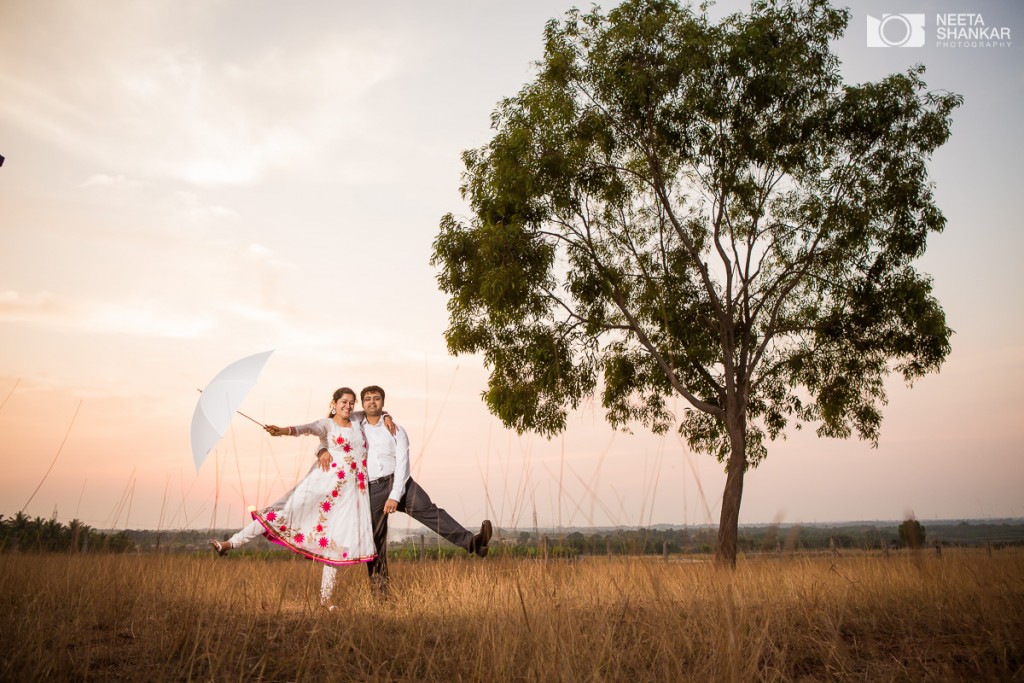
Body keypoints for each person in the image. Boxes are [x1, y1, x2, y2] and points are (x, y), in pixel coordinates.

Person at [208, 387, 379, 607]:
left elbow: (377, 412)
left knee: (337, 540)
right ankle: (231, 543)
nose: (347, 406)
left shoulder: (357, 420)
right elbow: (307, 429)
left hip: (351, 493)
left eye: (351, 403)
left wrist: (388, 417)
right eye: (343, 402)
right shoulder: (327, 424)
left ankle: (326, 599)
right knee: (283, 513)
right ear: (334, 404)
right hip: (323, 483)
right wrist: (284, 431)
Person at [316, 385, 492, 595]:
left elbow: (403, 464)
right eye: (368, 399)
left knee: (431, 512)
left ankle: (474, 542)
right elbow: (330, 432)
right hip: (371, 490)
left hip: (400, 483)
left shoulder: (396, 430)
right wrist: (322, 450)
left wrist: (394, 495)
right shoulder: (355, 424)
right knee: (376, 541)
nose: (372, 402)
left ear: (383, 402)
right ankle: (381, 594)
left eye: (377, 398)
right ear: (362, 404)